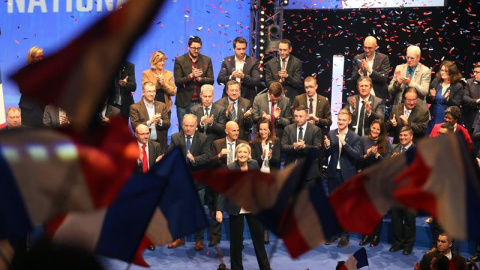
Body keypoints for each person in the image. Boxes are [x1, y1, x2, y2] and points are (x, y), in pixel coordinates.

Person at [216, 143, 271, 270]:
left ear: (249, 154)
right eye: (240, 152)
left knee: (258, 239)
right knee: (236, 242)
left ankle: (265, 267)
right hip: (236, 208)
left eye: (245, 152)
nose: (242, 155)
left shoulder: (254, 164)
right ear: (236, 154)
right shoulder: (230, 167)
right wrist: (219, 210)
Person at [167, 114, 211, 251]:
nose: (188, 128)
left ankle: (199, 240)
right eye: (186, 125)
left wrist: (194, 159)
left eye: (191, 126)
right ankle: (179, 238)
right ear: (182, 125)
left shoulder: (203, 138)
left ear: (196, 126)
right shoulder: (175, 138)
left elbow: (207, 157)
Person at [324, 109, 360, 247]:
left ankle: (345, 235)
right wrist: (327, 146)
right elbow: (326, 154)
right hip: (333, 173)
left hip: (347, 175)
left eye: (344, 120)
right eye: (339, 119)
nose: (340, 122)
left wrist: (344, 144)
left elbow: (356, 156)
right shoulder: (331, 133)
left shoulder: (355, 137)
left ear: (349, 121)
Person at [208, 121, 249, 247]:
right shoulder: (217, 143)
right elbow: (210, 162)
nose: (236, 133)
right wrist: (219, 155)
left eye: (237, 130)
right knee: (217, 207)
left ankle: (238, 238)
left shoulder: (244, 144)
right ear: (226, 131)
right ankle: (215, 236)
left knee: (237, 212)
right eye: (233, 130)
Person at [357, 119, 390, 247]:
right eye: (374, 128)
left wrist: (376, 155)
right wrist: (366, 155)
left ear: (381, 131)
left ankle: (375, 236)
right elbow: (358, 158)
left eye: (378, 129)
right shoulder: (363, 139)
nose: (375, 131)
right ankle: (366, 234)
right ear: (370, 126)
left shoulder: (385, 143)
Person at [174, 36, 214, 131]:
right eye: (194, 48)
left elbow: (211, 80)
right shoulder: (180, 61)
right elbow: (178, 82)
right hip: (184, 102)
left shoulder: (206, 60)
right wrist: (191, 76)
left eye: (198, 48)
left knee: (200, 129)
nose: (196, 50)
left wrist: (200, 79)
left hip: (201, 102)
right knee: (184, 129)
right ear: (188, 47)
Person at [388, 126, 416, 255]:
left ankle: (408, 244)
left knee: (409, 219)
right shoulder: (393, 147)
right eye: (401, 135)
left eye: (405, 136)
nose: (402, 138)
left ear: (411, 137)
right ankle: (398, 242)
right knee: (396, 218)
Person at [281, 105, 322, 187]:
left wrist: (304, 147)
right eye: (296, 116)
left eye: (300, 116)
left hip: (309, 174)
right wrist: (294, 147)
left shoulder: (315, 130)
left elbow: (317, 149)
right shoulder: (288, 129)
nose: (297, 119)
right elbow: (283, 147)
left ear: (307, 116)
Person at [217, 37, 261, 104]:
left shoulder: (253, 62)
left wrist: (243, 76)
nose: (242, 51)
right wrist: (231, 77)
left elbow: (256, 81)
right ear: (234, 49)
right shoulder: (227, 61)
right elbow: (220, 79)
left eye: (244, 49)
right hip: (228, 100)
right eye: (239, 49)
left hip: (247, 99)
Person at [130, 82, 170, 152]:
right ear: (143, 92)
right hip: (142, 144)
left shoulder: (162, 105)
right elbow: (135, 126)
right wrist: (150, 122)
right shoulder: (135, 107)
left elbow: (167, 124)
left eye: (153, 91)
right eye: (149, 91)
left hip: (159, 143)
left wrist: (159, 121)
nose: (152, 94)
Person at [426, 61, 464, 134]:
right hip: (434, 115)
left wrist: (448, 99)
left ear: (452, 73)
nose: (442, 72)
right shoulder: (435, 82)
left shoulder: (458, 86)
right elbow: (428, 100)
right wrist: (432, 96)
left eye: (445, 71)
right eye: (442, 70)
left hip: (448, 118)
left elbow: (457, 104)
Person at [142, 50, 177, 115]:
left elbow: (173, 92)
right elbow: (145, 89)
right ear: (154, 60)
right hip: (149, 107)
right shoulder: (146, 73)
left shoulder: (169, 74)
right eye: (160, 61)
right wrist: (157, 82)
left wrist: (164, 85)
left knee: (165, 125)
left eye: (164, 61)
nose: (162, 63)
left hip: (165, 108)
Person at [18, 46, 45, 128]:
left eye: (42, 56)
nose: (41, 59)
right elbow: (22, 89)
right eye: (38, 57)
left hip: (44, 108)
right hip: (28, 108)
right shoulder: (24, 71)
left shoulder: (46, 70)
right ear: (31, 57)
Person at [462, 62, 480, 133]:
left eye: (477, 72)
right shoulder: (469, 82)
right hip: (471, 117)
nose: (474, 74)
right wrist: (476, 101)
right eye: (474, 72)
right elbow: (464, 97)